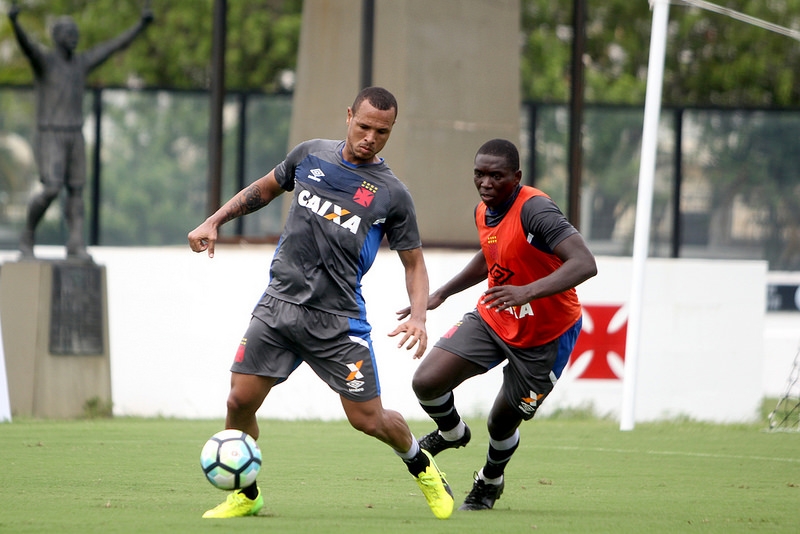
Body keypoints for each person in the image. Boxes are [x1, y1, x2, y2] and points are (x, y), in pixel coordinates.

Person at [188, 87, 454, 520]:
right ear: (348, 115)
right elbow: (265, 188)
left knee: (368, 420)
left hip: (338, 321)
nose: (370, 137)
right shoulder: (309, 156)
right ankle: (245, 493)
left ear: (391, 132)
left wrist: (420, 316)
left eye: (381, 131)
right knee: (239, 401)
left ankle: (422, 466)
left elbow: (414, 264)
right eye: (364, 125)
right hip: (278, 307)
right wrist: (214, 220)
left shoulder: (391, 194)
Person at [400, 138, 597, 511]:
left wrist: (528, 292)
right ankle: (453, 432)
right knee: (426, 381)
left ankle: (490, 479)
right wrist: (443, 292)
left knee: (500, 423)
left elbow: (585, 262)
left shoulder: (536, 210)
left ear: (516, 177)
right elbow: (491, 253)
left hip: (546, 335)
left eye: (496, 175)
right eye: (480, 174)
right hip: (495, 317)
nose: (486, 182)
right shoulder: (483, 210)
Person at [8, 3, 153, 260]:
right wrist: (15, 22)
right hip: (51, 132)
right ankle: (28, 234)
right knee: (52, 188)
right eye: (68, 32)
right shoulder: (46, 62)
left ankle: (76, 242)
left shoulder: (81, 63)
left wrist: (141, 25)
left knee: (76, 190)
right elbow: (27, 45)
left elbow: (113, 46)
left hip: (75, 133)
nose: (73, 37)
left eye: (75, 32)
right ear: (56, 36)